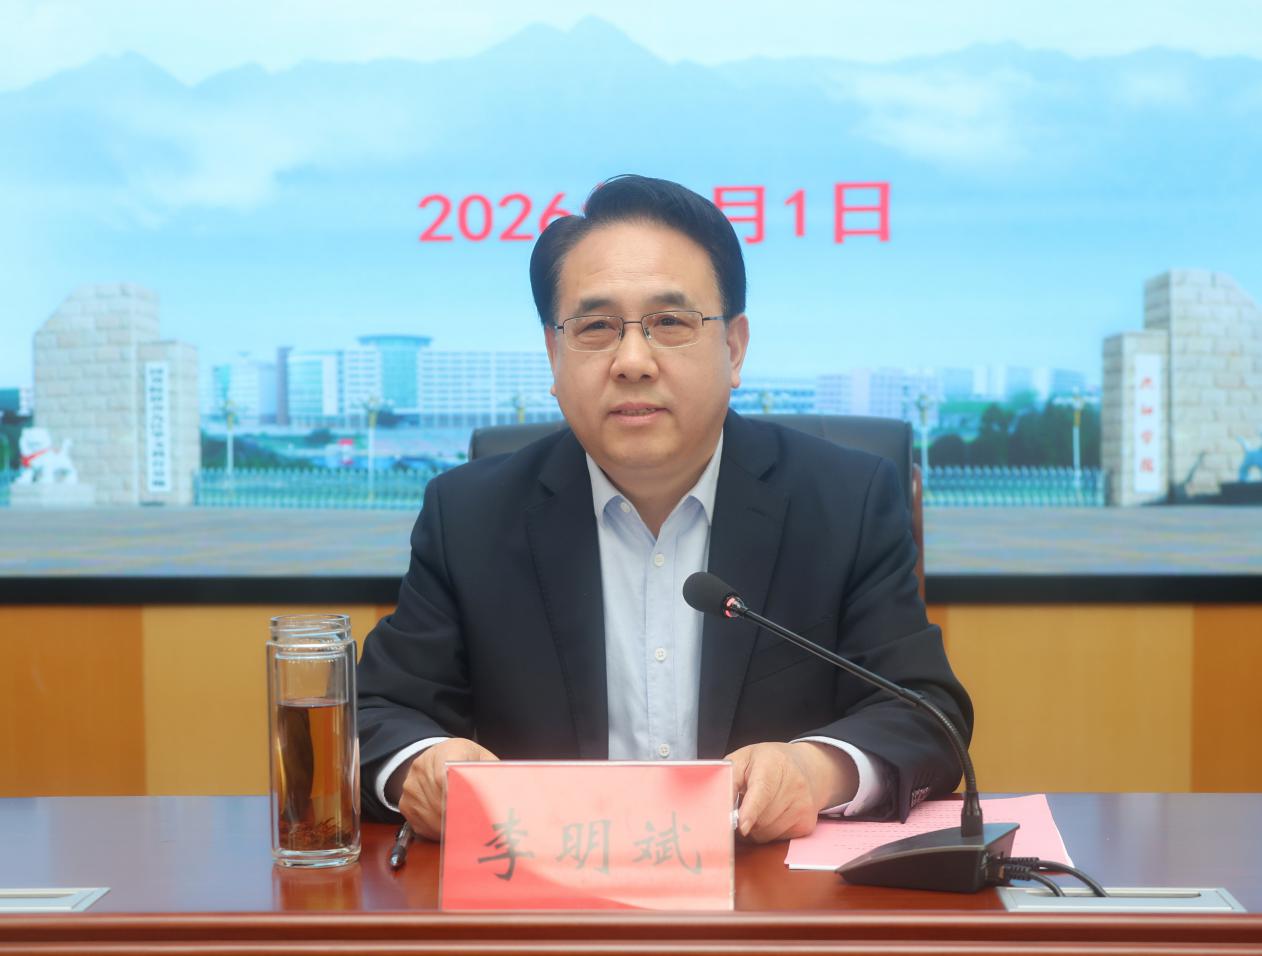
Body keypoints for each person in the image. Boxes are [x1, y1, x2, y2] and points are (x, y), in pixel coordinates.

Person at [357, 174, 971, 843]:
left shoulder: (845, 502)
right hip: (545, 886)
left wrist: (816, 769)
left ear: (733, 348)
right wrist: (421, 764)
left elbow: (926, 713)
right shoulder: (470, 516)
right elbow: (375, 711)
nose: (632, 361)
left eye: (670, 323)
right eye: (595, 327)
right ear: (554, 356)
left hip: (767, 891)